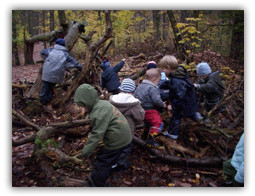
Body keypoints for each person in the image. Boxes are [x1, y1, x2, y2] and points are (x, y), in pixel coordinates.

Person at [74, 84, 132, 187]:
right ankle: (120, 164)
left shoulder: (98, 112)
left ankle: (96, 183)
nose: (83, 108)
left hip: (117, 139)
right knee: (116, 154)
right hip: (125, 135)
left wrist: (86, 151)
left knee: (103, 162)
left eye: (83, 105)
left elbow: (96, 134)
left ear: (88, 101)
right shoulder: (102, 103)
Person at [158, 55, 202, 140]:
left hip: (184, 103)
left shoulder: (177, 80)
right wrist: (163, 85)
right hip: (188, 102)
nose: (163, 71)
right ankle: (202, 120)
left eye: (163, 69)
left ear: (168, 67)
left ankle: (173, 134)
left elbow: (179, 95)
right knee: (192, 114)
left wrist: (173, 106)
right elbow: (172, 84)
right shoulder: (178, 75)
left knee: (176, 117)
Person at [39, 38, 82, 105]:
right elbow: (74, 62)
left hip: (47, 75)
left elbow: (42, 52)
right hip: (57, 76)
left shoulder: (50, 51)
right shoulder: (65, 54)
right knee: (51, 87)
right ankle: (48, 101)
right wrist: (80, 67)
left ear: (55, 44)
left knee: (45, 88)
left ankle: (43, 103)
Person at [134, 68, 165, 149]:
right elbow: (157, 100)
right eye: (158, 81)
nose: (158, 83)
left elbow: (135, 95)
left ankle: (144, 135)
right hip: (150, 110)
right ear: (154, 79)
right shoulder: (152, 88)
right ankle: (151, 140)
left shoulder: (140, 86)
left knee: (148, 123)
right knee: (158, 123)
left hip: (140, 109)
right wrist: (163, 105)